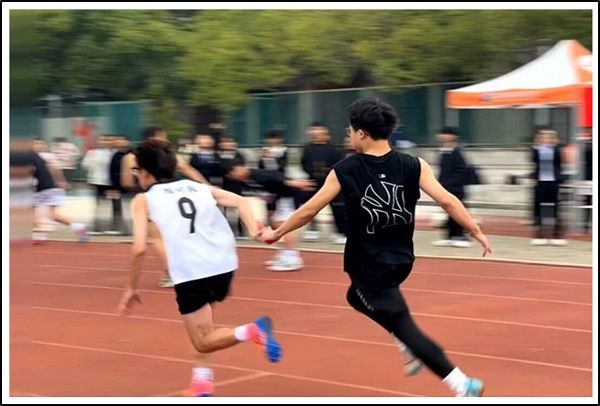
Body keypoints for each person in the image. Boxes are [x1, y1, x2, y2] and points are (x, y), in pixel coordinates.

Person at [259, 98, 491, 397]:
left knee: (405, 327)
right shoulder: (414, 164)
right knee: (355, 296)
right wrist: (474, 229)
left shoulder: (345, 169)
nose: (348, 136)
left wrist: (277, 233)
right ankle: (404, 341)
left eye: (350, 131)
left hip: (368, 263)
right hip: (401, 260)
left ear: (362, 134)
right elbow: (447, 200)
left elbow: (309, 210)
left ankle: (461, 384)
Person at [117, 138, 282, 397]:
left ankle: (252, 330)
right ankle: (202, 382)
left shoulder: (144, 199)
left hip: (192, 271)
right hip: (223, 264)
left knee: (203, 340)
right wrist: (254, 229)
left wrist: (130, 287)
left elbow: (138, 249)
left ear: (146, 172)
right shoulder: (198, 187)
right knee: (205, 325)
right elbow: (241, 201)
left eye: (136, 170)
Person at [120, 126, 210, 288]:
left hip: (148, 197)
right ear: (155, 138)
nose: (167, 140)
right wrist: (205, 187)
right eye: (164, 137)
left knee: (158, 238)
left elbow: (126, 182)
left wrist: (141, 189)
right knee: (178, 235)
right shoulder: (168, 154)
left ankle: (173, 272)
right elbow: (187, 169)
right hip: (171, 195)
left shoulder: (130, 158)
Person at [432, 127, 474, 248]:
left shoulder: (457, 152)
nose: (442, 136)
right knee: (449, 212)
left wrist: (449, 183)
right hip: (445, 188)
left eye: (445, 134)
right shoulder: (443, 151)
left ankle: (462, 236)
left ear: (453, 137)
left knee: (458, 212)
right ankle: (450, 236)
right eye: (441, 134)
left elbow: (462, 171)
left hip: (456, 188)